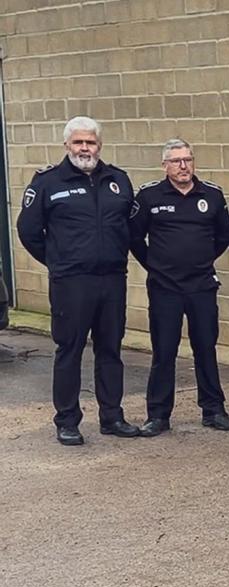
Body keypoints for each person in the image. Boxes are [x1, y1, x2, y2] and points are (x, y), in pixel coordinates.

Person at [16, 116, 140, 445]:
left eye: (90, 142)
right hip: (71, 283)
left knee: (110, 349)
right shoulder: (47, 182)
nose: (85, 148)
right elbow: (28, 231)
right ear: (67, 145)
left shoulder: (118, 179)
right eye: (78, 142)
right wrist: (59, 261)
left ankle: (112, 416)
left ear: (100, 146)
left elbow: (130, 228)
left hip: (112, 280)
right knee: (69, 350)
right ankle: (67, 420)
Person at [129, 139, 229, 436]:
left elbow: (224, 236)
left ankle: (213, 410)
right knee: (164, 352)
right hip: (165, 288)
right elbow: (134, 238)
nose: (183, 166)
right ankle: (158, 415)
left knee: (206, 348)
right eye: (176, 161)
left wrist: (202, 260)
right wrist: (155, 265)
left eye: (188, 159)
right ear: (165, 165)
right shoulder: (149, 196)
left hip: (201, 286)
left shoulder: (212, 195)